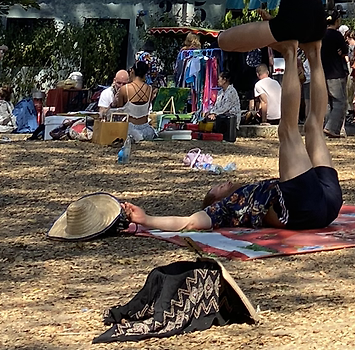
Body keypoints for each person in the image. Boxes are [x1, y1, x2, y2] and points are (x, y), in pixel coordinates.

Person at [123, 36, 342, 234]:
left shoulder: (248, 192)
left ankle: (315, 52)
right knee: (287, 130)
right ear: (217, 201)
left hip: (328, 202)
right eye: (218, 188)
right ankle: (290, 52)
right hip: (302, 208)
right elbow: (189, 222)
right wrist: (147, 219)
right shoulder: (225, 208)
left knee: (314, 126)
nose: (225, 182)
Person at [320, 13, 350, 137]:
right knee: (340, 102)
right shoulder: (337, 35)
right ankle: (331, 128)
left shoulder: (321, 35)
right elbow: (345, 51)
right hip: (336, 72)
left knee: (328, 102)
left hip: (322, 72)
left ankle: (326, 126)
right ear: (337, 21)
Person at [115, 58, 155, 141]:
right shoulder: (150, 89)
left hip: (129, 131)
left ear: (132, 71)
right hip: (146, 131)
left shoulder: (124, 89)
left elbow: (120, 112)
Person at [213, 75, 242, 144]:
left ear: (224, 80)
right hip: (222, 115)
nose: (217, 81)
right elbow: (217, 105)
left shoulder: (232, 91)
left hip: (230, 116)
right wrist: (211, 112)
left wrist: (214, 113)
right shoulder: (220, 92)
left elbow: (225, 107)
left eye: (219, 79)